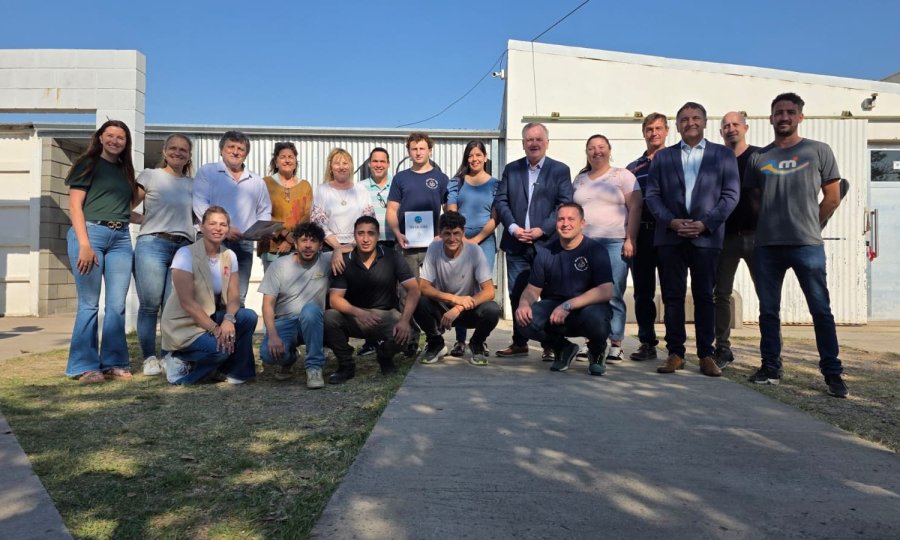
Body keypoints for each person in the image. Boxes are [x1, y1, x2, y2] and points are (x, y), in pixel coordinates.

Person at [744, 92, 848, 398]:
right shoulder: (759, 158)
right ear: (771, 118)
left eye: (790, 112)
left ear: (800, 116)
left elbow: (832, 195)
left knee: (820, 310)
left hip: (807, 245)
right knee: (768, 311)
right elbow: (754, 201)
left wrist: (814, 224)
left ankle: (832, 373)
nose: (784, 117)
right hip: (768, 247)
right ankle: (770, 367)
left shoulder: (818, 151)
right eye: (779, 112)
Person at [644, 102, 739, 377]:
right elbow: (652, 195)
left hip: (706, 239)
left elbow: (730, 196)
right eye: (684, 119)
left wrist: (704, 224)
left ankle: (706, 355)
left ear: (705, 122)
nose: (690, 122)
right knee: (672, 297)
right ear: (677, 125)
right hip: (670, 238)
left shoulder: (722, 155)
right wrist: (671, 222)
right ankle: (675, 353)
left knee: (704, 297)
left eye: (695, 118)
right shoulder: (663, 157)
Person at [64, 120, 139, 383]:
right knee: (89, 303)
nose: (115, 141)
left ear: (126, 143)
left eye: (121, 138)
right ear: (100, 137)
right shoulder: (88, 163)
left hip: (120, 237)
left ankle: (114, 362)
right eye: (110, 136)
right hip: (90, 234)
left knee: (117, 305)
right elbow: (75, 206)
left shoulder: (124, 171)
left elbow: (119, 209)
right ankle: (85, 366)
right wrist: (84, 244)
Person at [494, 122, 574, 361]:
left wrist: (542, 229)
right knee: (517, 294)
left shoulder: (560, 170)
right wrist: (513, 227)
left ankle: (551, 344)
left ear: (547, 142)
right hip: (516, 243)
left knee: (550, 295)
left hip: (547, 244)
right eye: (529, 139)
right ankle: (519, 342)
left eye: (539, 139)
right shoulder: (512, 169)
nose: (534, 143)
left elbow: (564, 203)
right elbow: (501, 201)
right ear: (523, 143)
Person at [161, 206, 258, 385]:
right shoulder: (185, 254)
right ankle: (180, 368)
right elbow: (187, 302)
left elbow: (234, 295)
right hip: (184, 324)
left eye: (223, 224)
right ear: (202, 227)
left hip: (211, 316)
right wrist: (215, 329)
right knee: (221, 350)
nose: (218, 228)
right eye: (212, 223)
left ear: (228, 229)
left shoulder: (230, 255)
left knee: (247, 317)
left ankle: (237, 373)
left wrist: (229, 319)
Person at [515, 203, 613, 375]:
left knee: (596, 319)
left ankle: (597, 351)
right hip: (555, 311)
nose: (565, 224)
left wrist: (568, 305)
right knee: (525, 320)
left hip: (587, 309)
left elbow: (606, 291)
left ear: (582, 223)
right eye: (561, 219)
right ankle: (563, 348)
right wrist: (523, 304)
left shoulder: (596, 250)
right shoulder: (545, 252)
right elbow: (532, 290)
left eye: (571, 219)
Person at [324, 216, 420, 384]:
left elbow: (413, 289)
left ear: (378, 236)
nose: (366, 239)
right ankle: (346, 365)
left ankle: (384, 355)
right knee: (329, 318)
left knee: (406, 333)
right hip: (354, 316)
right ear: (354, 236)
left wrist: (405, 321)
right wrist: (359, 313)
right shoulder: (343, 261)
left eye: (371, 233)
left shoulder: (392, 257)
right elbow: (335, 300)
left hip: (385, 315)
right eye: (361, 233)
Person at [573, 134, 641, 364]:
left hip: (614, 242)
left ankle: (615, 343)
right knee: (586, 294)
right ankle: (589, 341)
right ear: (587, 152)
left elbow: (636, 207)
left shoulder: (623, 175)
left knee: (613, 293)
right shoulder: (580, 179)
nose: (596, 151)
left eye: (601, 147)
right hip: (585, 244)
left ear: (609, 150)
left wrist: (630, 239)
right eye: (591, 148)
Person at [133, 133, 195, 376]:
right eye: (173, 148)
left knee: (172, 307)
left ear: (189, 155)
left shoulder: (193, 184)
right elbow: (126, 206)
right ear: (164, 151)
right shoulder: (150, 175)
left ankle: (169, 356)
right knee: (150, 305)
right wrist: (144, 219)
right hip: (153, 243)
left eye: (183, 150)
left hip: (183, 247)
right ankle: (149, 357)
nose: (178, 153)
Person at [386, 132, 449, 357]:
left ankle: (435, 335)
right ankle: (410, 339)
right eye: (414, 149)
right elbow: (392, 210)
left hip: (433, 246)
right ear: (408, 151)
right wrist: (397, 232)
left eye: (422, 148)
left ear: (429, 150)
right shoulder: (400, 178)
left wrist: (442, 234)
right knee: (405, 293)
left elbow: (450, 210)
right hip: (406, 245)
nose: (418, 152)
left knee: (432, 292)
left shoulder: (441, 178)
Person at [193, 130, 272, 306]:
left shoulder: (256, 181)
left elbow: (265, 209)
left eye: (240, 149)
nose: (235, 151)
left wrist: (261, 231)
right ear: (221, 150)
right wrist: (225, 230)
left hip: (243, 244)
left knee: (238, 297)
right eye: (231, 147)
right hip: (210, 241)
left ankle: (234, 334)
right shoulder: (208, 172)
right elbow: (199, 205)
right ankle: (210, 333)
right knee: (208, 297)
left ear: (246, 154)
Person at [414, 211, 500, 366]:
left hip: (468, 309)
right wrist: (453, 299)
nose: (452, 239)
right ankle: (436, 343)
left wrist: (458, 307)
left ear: (463, 233)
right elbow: (424, 287)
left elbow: (489, 291)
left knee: (492, 309)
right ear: (439, 233)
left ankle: (477, 344)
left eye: (456, 233)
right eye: (447, 233)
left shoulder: (474, 250)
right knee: (418, 301)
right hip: (442, 308)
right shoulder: (434, 248)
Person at [713, 112, 761, 369]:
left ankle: (771, 355)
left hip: (757, 238)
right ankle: (722, 348)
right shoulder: (716, 160)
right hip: (725, 238)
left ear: (745, 128)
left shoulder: (760, 157)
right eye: (726, 126)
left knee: (766, 296)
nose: (731, 129)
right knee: (720, 294)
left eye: (735, 125)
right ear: (721, 132)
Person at [258, 222, 330, 389]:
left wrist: (339, 250)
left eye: (313, 241)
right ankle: (290, 357)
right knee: (268, 355)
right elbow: (267, 305)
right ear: (295, 243)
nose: (308, 245)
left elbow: (354, 246)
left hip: (313, 321)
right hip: (285, 321)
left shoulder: (325, 260)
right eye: (304, 240)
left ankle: (314, 367)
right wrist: (273, 335)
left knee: (311, 310)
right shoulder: (279, 266)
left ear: (320, 245)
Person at [445, 140, 498, 357]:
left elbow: (496, 217)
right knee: (460, 288)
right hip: (459, 239)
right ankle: (459, 341)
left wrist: (477, 239)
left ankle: (480, 340)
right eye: (470, 155)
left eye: (478, 155)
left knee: (481, 288)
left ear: (485, 157)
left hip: (485, 240)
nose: (474, 159)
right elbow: (451, 212)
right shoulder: (456, 182)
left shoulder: (496, 184)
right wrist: (461, 238)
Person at [626, 113, 669, 361]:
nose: (654, 133)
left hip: (668, 234)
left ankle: (675, 344)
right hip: (642, 234)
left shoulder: (676, 160)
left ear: (666, 131)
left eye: (658, 129)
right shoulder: (634, 168)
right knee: (643, 292)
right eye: (649, 129)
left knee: (671, 291)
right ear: (644, 133)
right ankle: (647, 342)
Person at [310, 148, 375, 273]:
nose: (341, 167)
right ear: (331, 167)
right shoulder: (322, 190)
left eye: (345, 163)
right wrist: (338, 248)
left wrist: (351, 245)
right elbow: (318, 223)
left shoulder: (361, 190)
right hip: (328, 248)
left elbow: (369, 220)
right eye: (337, 163)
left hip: (357, 247)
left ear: (350, 166)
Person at [356, 147, 394, 360]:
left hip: (391, 243)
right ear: (369, 164)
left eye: (382, 161)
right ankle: (370, 341)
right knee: (368, 294)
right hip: (367, 245)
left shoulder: (396, 186)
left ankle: (390, 338)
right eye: (375, 161)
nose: (379, 164)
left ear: (388, 164)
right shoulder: (360, 187)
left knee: (391, 294)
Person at [259, 142, 313, 271]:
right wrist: (283, 233)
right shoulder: (265, 183)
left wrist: (291, 240)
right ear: (276, 162)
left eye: (291, 157)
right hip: (271, 246)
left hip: (297, 247)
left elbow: (307, 215)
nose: (287, 160)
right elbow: (261, 212)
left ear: (295, 162)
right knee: (273, 288)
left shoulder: (305, 186)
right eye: (283, 157)